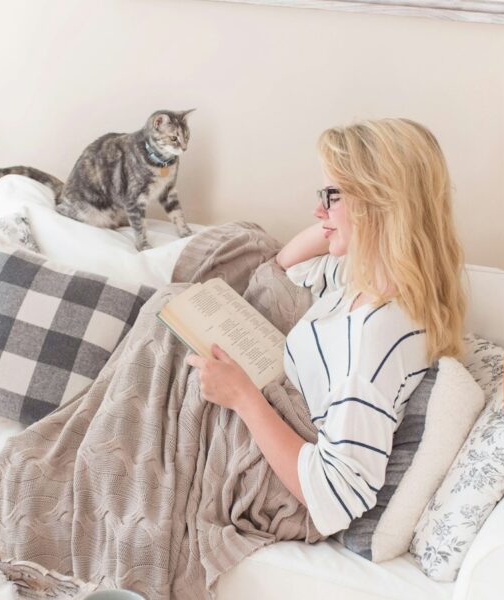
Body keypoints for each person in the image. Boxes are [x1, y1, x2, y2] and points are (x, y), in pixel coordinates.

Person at [186, 118, 467, 536]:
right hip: (268, 406)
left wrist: (243, 397)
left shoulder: (375, 336)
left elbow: (335, 498)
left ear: (379, 202)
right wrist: (342, 221)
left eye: (331, 196)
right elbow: (286, 268)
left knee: (163, 338)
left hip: (277, 478)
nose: (318, 212)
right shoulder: (369, 280)